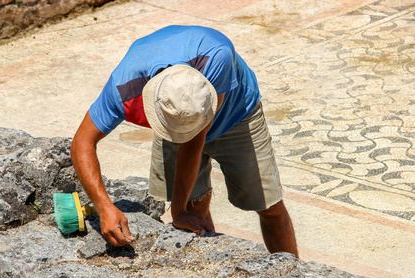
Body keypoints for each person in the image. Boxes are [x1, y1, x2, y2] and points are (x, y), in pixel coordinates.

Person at [70, 25, 299, 257]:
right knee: (194, 210)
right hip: (176, 115)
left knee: (268, 206)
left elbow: (193, 141)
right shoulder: (124, 86)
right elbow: (82, 143)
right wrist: (104, 207)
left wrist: (177, 210)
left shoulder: (219, 55)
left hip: (238, 114)